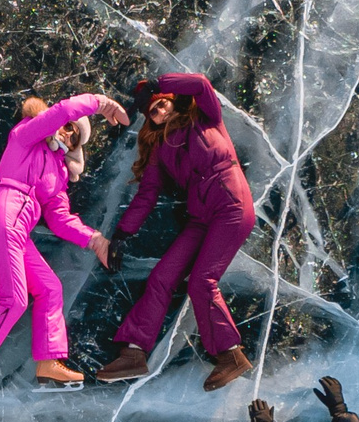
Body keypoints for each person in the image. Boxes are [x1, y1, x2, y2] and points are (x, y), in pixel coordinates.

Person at [0, 92, 124, 395]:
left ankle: (49, 363)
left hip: (19, 228)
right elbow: (63, 110)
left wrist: (94, 240)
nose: (67, 132)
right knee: (14, 299)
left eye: (75, 134)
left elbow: (60, 218)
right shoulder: (27, 134)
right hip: (2, 213)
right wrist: (99, 103)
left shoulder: (58, 172)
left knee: (50, 288)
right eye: (68, 126)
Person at [96, 74, 257, 390]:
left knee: (201, 281)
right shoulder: (158, 147)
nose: (156, 109)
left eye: (159, 101)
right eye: (150, 109)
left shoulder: (205, 116)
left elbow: (200, 83)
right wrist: (121, 235)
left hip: (231, 206)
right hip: (200, 218)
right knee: (161, 277)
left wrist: (158, 82)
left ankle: (230, 354)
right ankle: (133, 352)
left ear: (170, 97)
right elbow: (147, 194)